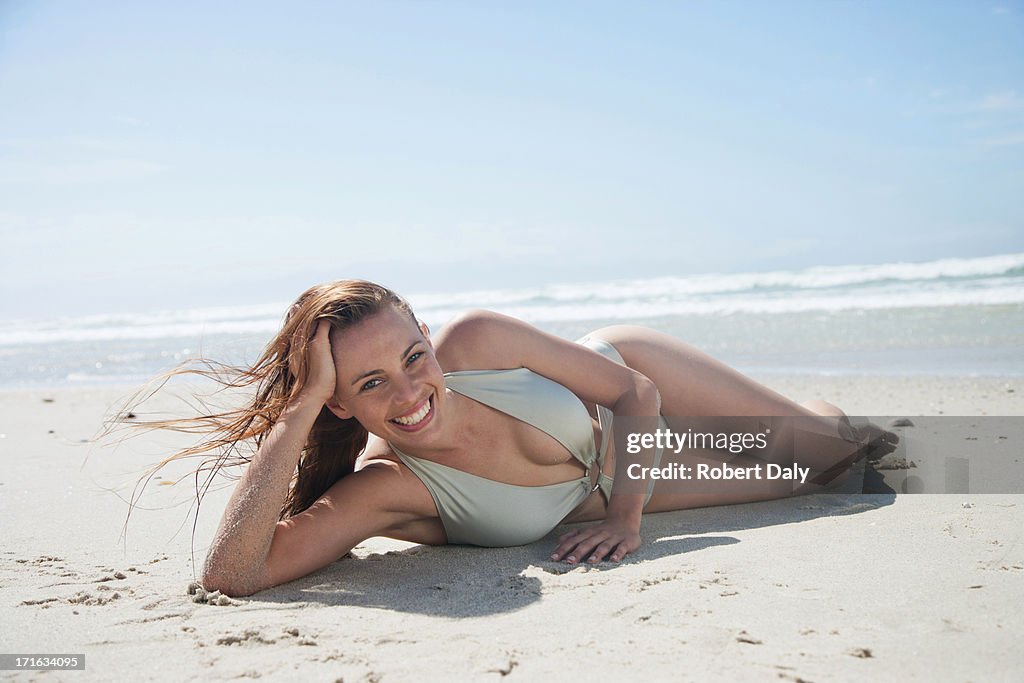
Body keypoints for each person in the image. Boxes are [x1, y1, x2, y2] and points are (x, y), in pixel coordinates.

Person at [153, 280, 894, 597]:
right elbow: (233, 575)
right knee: (827, 477)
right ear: (339, 404)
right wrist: (301, 404)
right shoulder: (388, 489)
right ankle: (804, 429)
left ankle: (814, 413)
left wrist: (625, 520)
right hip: (628, 475)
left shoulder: (477, 339)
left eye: (414, 357)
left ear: (427, 334)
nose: (411, 393)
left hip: (633, 387)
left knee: (839, 447)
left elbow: (634, 393)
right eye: (370, 384)